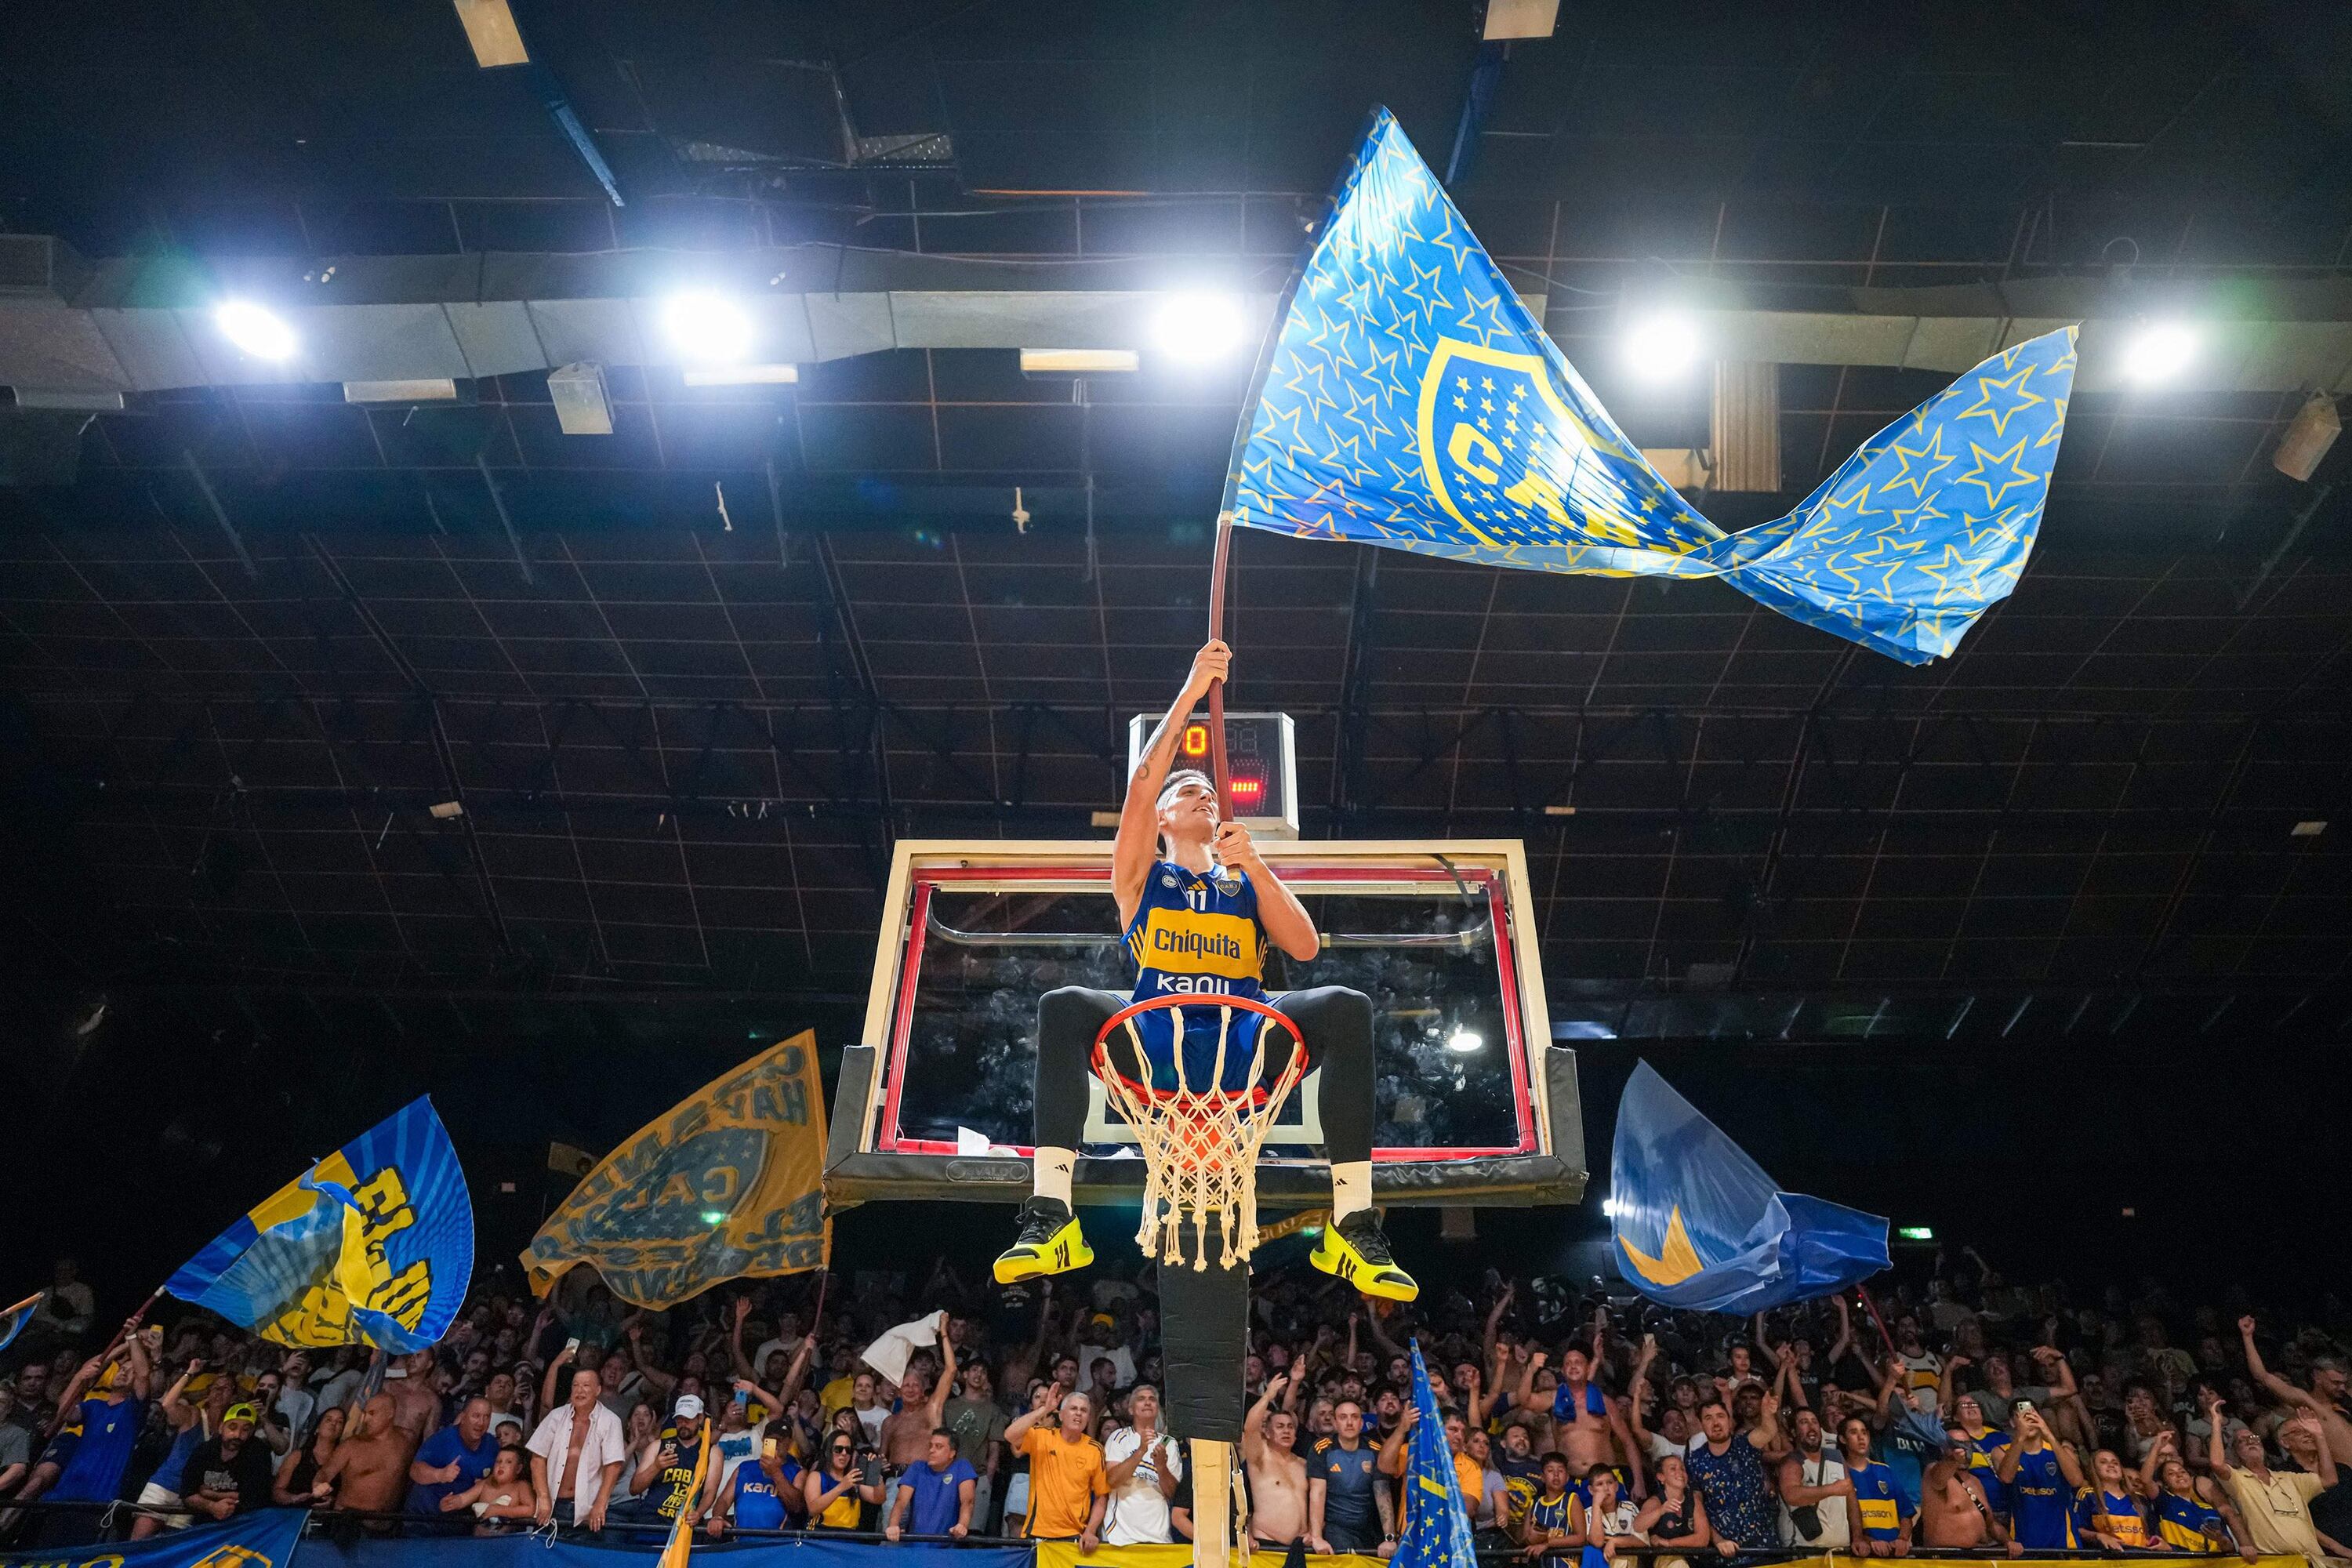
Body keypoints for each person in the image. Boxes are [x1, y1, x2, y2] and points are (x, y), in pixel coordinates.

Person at [994, 639, 1414, 1301]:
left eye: (1210, 794)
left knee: (1345, 1005)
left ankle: (1352, 1224)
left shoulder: (1244, 883)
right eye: (1188, 791)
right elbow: (1141, 784)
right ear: (1163, 817)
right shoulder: (1142, 878)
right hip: (1155, 1044)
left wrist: (1256, 864)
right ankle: (1051, 1216)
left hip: (1239, 1046)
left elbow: (1304, 946)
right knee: (1064, 1003)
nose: (1203, 797)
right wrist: (1192, 691)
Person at [2205, 1392, 2340, 1566]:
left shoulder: (2290, 1478)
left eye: (2254, 1438)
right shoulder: (2239, 1480)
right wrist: (2216, 1422)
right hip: (2277, 1563)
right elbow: (2217, 1463)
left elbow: (2330, 1479)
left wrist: (2319, 1435)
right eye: (2242, 1441)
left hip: (2314, 1561)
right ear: (2236, 1452)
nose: (2250, 1441)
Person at [526, 1366, 628, 1530]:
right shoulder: (556, 1416)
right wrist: (543, 1498)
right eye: (575, 1385)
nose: (580, 1390)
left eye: (586, 1385)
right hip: (551, 1502)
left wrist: (600, 1504)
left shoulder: (610, 1421)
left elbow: (614, 1466)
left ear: (598, 1390)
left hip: (586, 1507)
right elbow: (537, 1458)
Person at [1006, 1386, 1108, 1549]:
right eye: (1073, 1408)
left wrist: (1090, 1531)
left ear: (1089, 1418)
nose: (1078, 1413)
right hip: (1038, 1532)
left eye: (1084, 1410)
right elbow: (1010, 1435)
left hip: (1074, 1535)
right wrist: (1044, 1410)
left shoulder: (1095, 1450)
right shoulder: (1042, 1436)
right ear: (1061, 1415)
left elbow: (1102, 1497)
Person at [1682, 1392, 1780, 1552]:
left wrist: (1767, 1413)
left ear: (1729, 1420)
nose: (1716, 1423)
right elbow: (1697, 1508)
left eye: (1720, 1416)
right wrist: (1718, 1540)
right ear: (1701, 1424)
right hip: (1724, 1553)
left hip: (1764, 1547)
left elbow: (1768, 1431)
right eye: (1708, 1418)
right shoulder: (1694, 1461)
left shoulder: (1746, 1444)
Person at [1996, 1403, 2089, 1550]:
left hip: (2064, 1540)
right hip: (2023, 1540)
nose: (2029, 1421)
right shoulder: (2002, 1451)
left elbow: (2077, 1481)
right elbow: (2006, 1478)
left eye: (2032, 1415)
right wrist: (2020, 1437)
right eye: (2022, 1416)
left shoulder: (2060, 1451)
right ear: (2013, 1422)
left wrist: (2049, 1435)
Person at [1311, 1396, 1393, 1556]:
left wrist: (1389, 1538)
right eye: (1343, 1417)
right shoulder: (1322, 1448)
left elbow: (1383, 1494)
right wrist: (1317, 1537)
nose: (1349, 1423)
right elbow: (1317, 1493)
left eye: (1354, 1417)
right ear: (1335, 1423)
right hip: (1336, 1529)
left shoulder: (1375, 1450)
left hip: (1369, 1529)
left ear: (1361, 1423)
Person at [1102, 1383, 1182, 1545]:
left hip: (1158, 1536)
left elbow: (1173, 1494)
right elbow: (1111, 1481)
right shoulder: (1119, 1437)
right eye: (1141, 1399)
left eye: (1152, 1399)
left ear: (1157, 1409)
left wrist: (1161, 1467)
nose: (1147, 1402)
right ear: (1131, 1410)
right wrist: (1141, 1451)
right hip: (1120, 1535)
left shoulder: (1169, 1444)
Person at [312, 1394, 417, 1516]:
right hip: (349, 1518)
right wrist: (319, 1485)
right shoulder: (352, 1445)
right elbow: (326, 1472)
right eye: (365, 1414)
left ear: (390, 1413)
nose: (366, 1419)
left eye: (372, 1413)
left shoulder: (407, 1439)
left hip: (389, 1521)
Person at [1917, 1426, 2013, 1553]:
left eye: (1966, 1445)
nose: (1962, 1449)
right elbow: (1939, 1480)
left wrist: (2009, 1541)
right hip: (1946, 1556)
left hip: (1978, 1554)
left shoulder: (1975, 1481)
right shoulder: (1933, 1473)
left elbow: (1991, 1524)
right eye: (1955, 1444)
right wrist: (1953, 1459)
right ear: (1943, 1448)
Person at [1247, 1374, 1314, 1552]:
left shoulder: (1303, 1464)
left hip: (1302, 1546)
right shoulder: (1260, 1458)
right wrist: (1267, 1396)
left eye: (1290, 1427)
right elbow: (1250, 1428)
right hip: (1267, 1543)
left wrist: (1314, 1532)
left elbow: (1316, 1502)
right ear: (1267, 1433)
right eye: (1280, 1427)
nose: (1286, 1431)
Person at [180, 1404, 276, 1522]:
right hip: (205, 1523)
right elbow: (187, 1494)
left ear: (251, 1432)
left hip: (245, 1523)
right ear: (221, 1427)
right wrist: (212, 1507)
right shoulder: (204, 1451)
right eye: (232, 1427)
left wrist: (211, 1494)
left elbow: (255, 1498)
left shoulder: (258, 1453)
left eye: (245, 1430)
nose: (238, 1435)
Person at [1836, 1414, 1914, 1557]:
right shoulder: (1838, 1474)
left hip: (1895, 1554)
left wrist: (1902, 1539)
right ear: (1842, 1439)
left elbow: (1906, 1513)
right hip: (1860, 1556)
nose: (1861, 1437)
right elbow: (1840, 1521)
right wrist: (1869, 1541)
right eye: (1854, 1432)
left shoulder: (1885, 1470)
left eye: (1864, 1432)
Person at [409, 1396, 499, 1519]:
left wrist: (485, 1484)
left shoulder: (492, 1445)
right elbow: (415, 1470)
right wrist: (439, 1475)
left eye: (486, 1417)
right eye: (476, 1416)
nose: (481, 1423)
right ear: (463, 1417)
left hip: (463, 1521)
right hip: (424, 1518)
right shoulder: (443, 1439)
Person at [1776, 1407, 1850, 1551]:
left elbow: (1851, 1501)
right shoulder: (1791, 1462)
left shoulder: (1837, 1456)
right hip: (1804, 1551)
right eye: (1804, 1422)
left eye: (1815, 1422)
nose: (1811, 1427)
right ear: (1793, 1432)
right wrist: (1832, 1489)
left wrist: (1858, 1537)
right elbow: (1792, 1495)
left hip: (1841, 1550)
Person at [889, 1428, 978, 1541]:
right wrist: (893, 1525)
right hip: (914, 1544)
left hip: (947, 1546)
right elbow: (901, 1501)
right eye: (930, 1446)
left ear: (952, 1453)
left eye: (938, 1447)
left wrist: (962, 1525)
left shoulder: (962, 1467)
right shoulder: (917, 1467)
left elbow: (968, 1502)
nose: (931, 1450)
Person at [1632, 1451, 1718, 1563]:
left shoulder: (1694, 1500)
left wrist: (1669, 1543)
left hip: (1693, 1560)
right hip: (1665, 1560)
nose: (1680, 1472)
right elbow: (1638, 1526)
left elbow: (1703, 1539)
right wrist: (1661, 1511)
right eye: (1673, 1469)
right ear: (1661, 1477)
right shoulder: (1656, 1501)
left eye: (1683, 1469)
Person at [445, 1445, 537, 1536]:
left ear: (518, 1469)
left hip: (508, 1538)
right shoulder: (485, 1484)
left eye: (509, 1462)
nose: (501, 1466)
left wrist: (500, 1510)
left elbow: (530, 1509)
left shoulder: (521, 1486)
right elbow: (464, 1498)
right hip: (481, 1535)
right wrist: (451, 1502)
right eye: (498, 1462)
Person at [803, 1428, 882, 1530]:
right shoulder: (816, 1476)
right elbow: (812, 1509)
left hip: (849, 1537)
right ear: (828, 1452)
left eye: (848, 1450)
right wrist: (841, 1487)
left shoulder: (855, 1478)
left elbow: (878, 1499)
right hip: (821, 1534)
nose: (844, 1453)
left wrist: (876, 1474)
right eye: (838, 1449)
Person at [274, 1406, 343, 1506]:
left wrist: (332, 1501)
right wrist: (294, 1498)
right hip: (294, 1511)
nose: (334, 1423)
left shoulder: (342, 1462)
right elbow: (277, 1490)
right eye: (329, 1420)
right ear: (317, 1428)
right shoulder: (297, 1456)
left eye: (340, 1422)